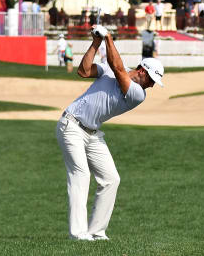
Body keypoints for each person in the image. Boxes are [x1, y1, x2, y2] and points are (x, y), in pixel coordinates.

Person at [56, 25, 164, 241]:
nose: (151, 86)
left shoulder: (137, 94)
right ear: (142, 71)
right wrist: (96, 42)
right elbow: (84, 71)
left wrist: (108, 37)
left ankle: (96, 231)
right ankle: (78, 233)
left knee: (111, 178)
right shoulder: (109, 70)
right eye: (151, 80)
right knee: (81, 174)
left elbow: (118, 68)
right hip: (71, 126)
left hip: (92, 133)